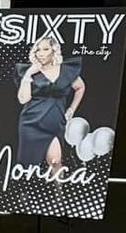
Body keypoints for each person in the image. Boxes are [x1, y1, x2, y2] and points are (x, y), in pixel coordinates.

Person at [15, 34, 85, 172]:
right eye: (38, 50)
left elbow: (80, 87)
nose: (41, 53)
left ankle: (59, 194)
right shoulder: (28, 71)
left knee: (56, 161)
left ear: (53, 50)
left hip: (55, 122)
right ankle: (26, 193)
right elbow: (23, 99)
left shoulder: (65, 70)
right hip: (31, 123)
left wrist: (71, 110)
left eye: (45, 49)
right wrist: (28, 74)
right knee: (28, 165)